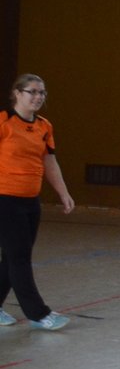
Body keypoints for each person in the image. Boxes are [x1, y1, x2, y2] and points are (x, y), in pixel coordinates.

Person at [0, 75, 75, 331]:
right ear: (17, 93)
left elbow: (49, 161)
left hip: (31, 201)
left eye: (42, 92)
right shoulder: (4, 121)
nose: (38, 97)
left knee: (12, 258)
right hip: (5, 200)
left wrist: (63, 192)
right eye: (32, 91)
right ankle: (38, 313)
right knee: (19, 258)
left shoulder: (44, 126)